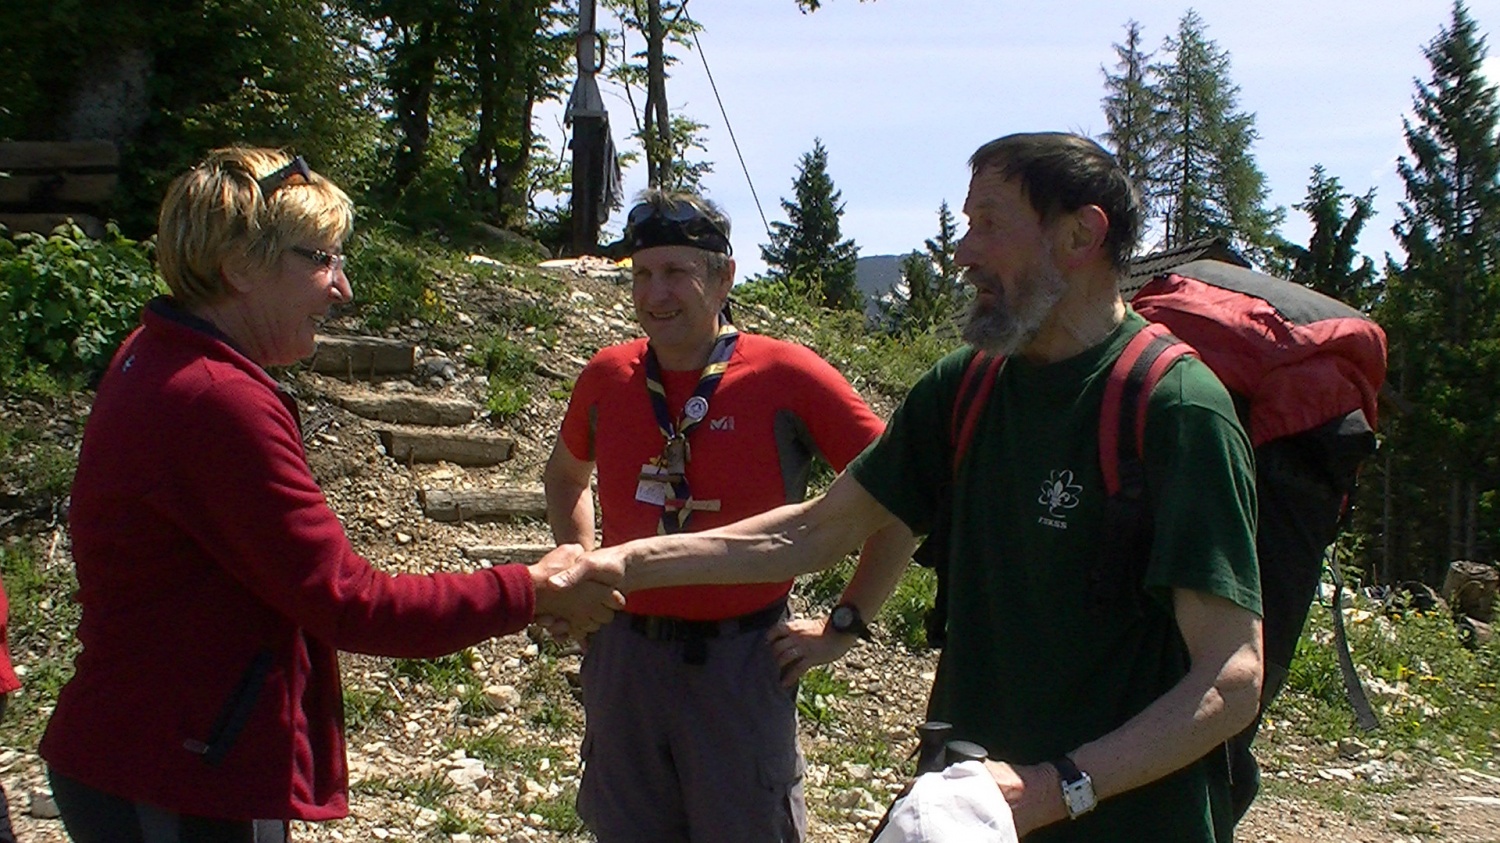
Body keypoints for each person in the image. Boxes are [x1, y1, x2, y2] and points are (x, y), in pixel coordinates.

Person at [554, 133, 1264, 842]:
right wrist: (616, 564)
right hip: (971, 807)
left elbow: (1231, 675)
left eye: (988, 223)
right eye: (965, 224)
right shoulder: (967, 385)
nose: (962, 252)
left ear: (1080, 234)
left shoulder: (1175, 408)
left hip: (1125, 817)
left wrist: (1055, 788)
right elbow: (809, 531)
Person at [39, 148, 621, 842]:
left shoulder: (160, 354)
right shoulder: (215, 398)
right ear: (240, 266)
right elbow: (351, 601)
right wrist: (531, 587)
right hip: (176, 775)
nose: (341, 287)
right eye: (321, 259)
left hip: (160, 757)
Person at [542, 188, 915, 843]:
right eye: (642, 275)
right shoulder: (609, 375)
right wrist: (578, 561)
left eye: (676, 273)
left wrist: (845, 623)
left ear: (723, 278)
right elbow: (566, 476)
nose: (656, 294)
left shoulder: (787, 374)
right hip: (625, 655)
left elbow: (900, 499)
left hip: (742, 661)